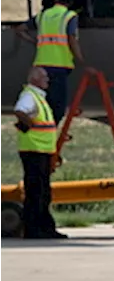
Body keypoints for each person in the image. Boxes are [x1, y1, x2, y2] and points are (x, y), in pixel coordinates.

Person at [16, 0, 85, 123]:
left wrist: (34, 41)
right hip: (59, 66)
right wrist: (81, 60)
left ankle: (36, 126)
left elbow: (20, 29)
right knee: (57, 106)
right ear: (71, 2)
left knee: (41, 103)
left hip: (40, 65)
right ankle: (48, 130)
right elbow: (72, 39)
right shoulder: (69, 16)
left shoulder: (43, 15)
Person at [13, 66, 64, 239]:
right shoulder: (30, 96)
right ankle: (34, 229)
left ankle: (44, 227)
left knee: (42, 191)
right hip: (33, 150)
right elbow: (20, 110)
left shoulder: (39, 98)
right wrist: (29, 124)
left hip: (41, 150)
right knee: (36, 191)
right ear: (34, 79)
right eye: (44, 77)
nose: (48, 80)